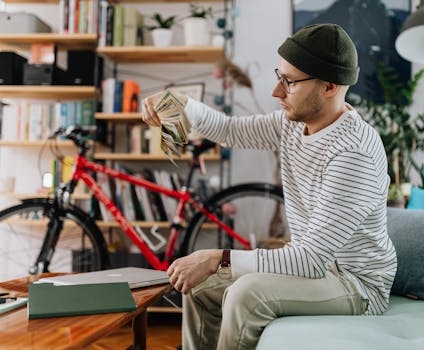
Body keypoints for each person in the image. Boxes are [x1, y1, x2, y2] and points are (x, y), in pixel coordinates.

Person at [142, 23, 397, 350]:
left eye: (289, 82)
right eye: (280, 75)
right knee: (202, 287)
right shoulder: (294, 124)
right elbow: (230, 130)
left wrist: (217, 258)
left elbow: (310, 260)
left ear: (330, 86)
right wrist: (180, 103)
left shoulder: (353, 154)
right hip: (317, 267)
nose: (276, 91)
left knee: (246, 294)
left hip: (355, 284)